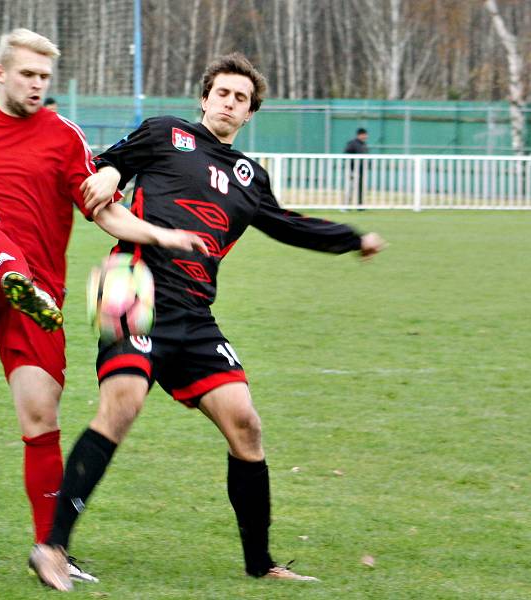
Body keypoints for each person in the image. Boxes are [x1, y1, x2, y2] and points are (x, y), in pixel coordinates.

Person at [28, 53, 385, 591]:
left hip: (194, 311)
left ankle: (260, 563)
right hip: (132, 283)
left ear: (249, 114)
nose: (230, 103)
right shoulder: (165, 132)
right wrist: (105, 170)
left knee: (246, 424)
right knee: (121, 404)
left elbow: (287, 224)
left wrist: (351, 239)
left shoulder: (250, 178)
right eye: (223, 93)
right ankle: (52, 548)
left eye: (241, 99)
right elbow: (109, 163)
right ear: (205, 97)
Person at [0, 29, 206, 583]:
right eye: (27, 74)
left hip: (36, 300)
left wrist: (162, 236)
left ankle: (50, 551)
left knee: (40, 416)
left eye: (44, 77)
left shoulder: (64, 137)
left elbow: (105, 212)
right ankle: (11, 271)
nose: (37, 84)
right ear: (1, 72)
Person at [344, 127, 369, 208]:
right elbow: (346, 154)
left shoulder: (363, 144)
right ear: (359, 135)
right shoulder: (352, 143)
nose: (365, 136)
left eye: (366, 135)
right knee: (349, 188)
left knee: (361, 188)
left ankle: (360, 206)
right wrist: (351, 167)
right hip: (352, 169)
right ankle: (346, 206)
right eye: (364, 135)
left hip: (361, 170)